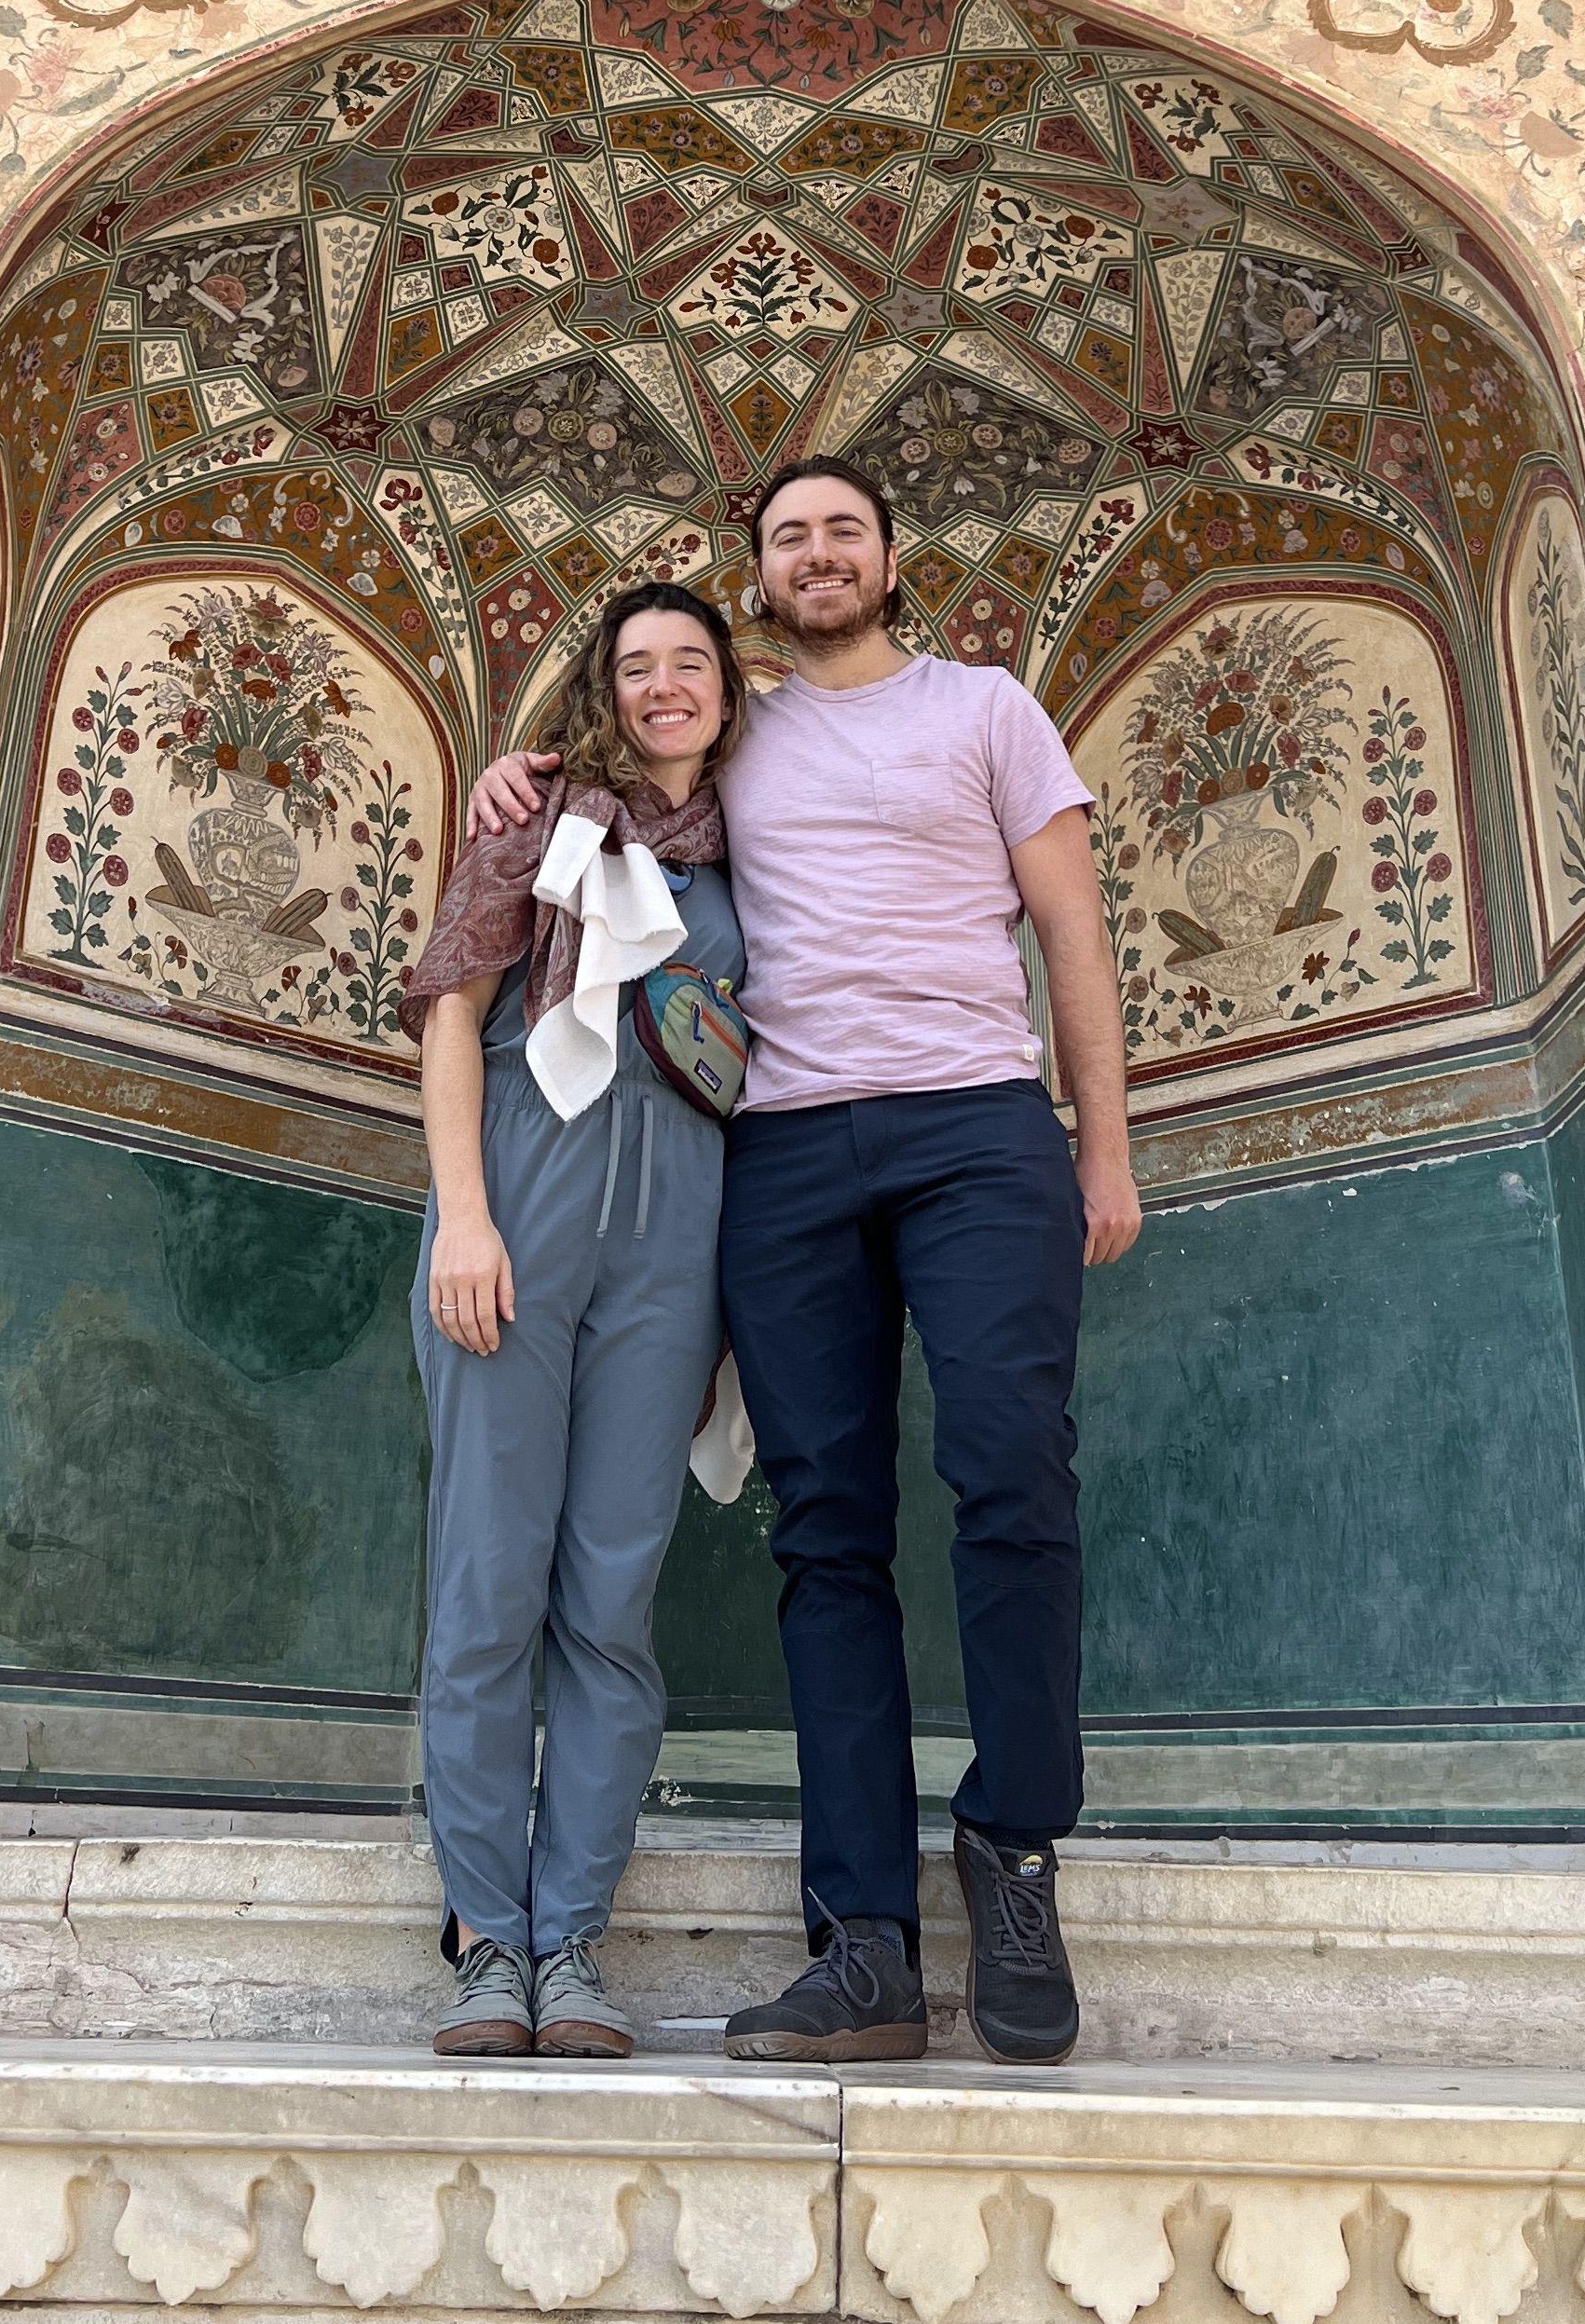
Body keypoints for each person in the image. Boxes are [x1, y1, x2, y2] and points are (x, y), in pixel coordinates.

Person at [465, 457, 1140, 2068]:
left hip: (976, 1125)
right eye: (788, 538)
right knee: (825, 1530)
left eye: (845, 530)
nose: (818, 553)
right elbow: (609, 780)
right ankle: (864, 1941)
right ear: (757, 576)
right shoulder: (738, 733)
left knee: (1011, 1474)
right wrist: (513, 775)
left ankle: (1014, 1846)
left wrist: (1102, 1144)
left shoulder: (987, 709)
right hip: (784, 1148)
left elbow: (1072, 931)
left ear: (893, 561)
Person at [400, 581, 755, 2061]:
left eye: (692, 662)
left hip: (675, 1252)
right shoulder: (534, 824)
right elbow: (450, 1017)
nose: (666, 685)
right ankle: (488, 1939)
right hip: (515, 1224)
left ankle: (572, 1940)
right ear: (602, 691)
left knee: (610, 1606)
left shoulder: (758, 850)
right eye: (638, 665)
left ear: (729, 690)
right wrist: (465, 1220)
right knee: (489, 1587)